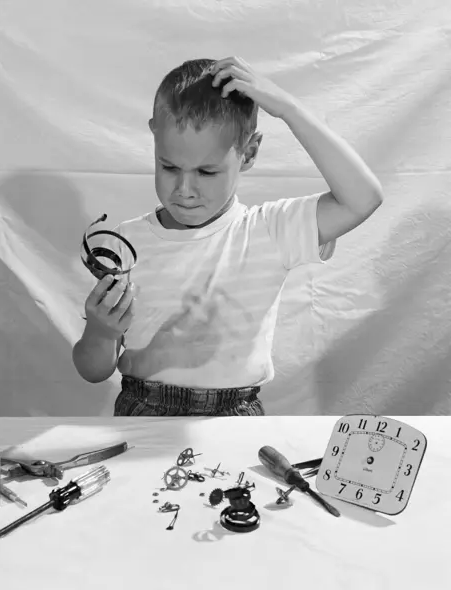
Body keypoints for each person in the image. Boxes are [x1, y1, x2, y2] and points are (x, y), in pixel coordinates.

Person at [72, 56, 383, 416]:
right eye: (169, 167)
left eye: (206, 172)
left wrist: (289, 108)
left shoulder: (269, 230)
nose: (184, 190)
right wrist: (100, 330)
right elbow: (93, 371)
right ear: (154, 136)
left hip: (233, 416)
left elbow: (363, 198)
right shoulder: (125, 243)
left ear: (249, 153)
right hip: (142, 412)